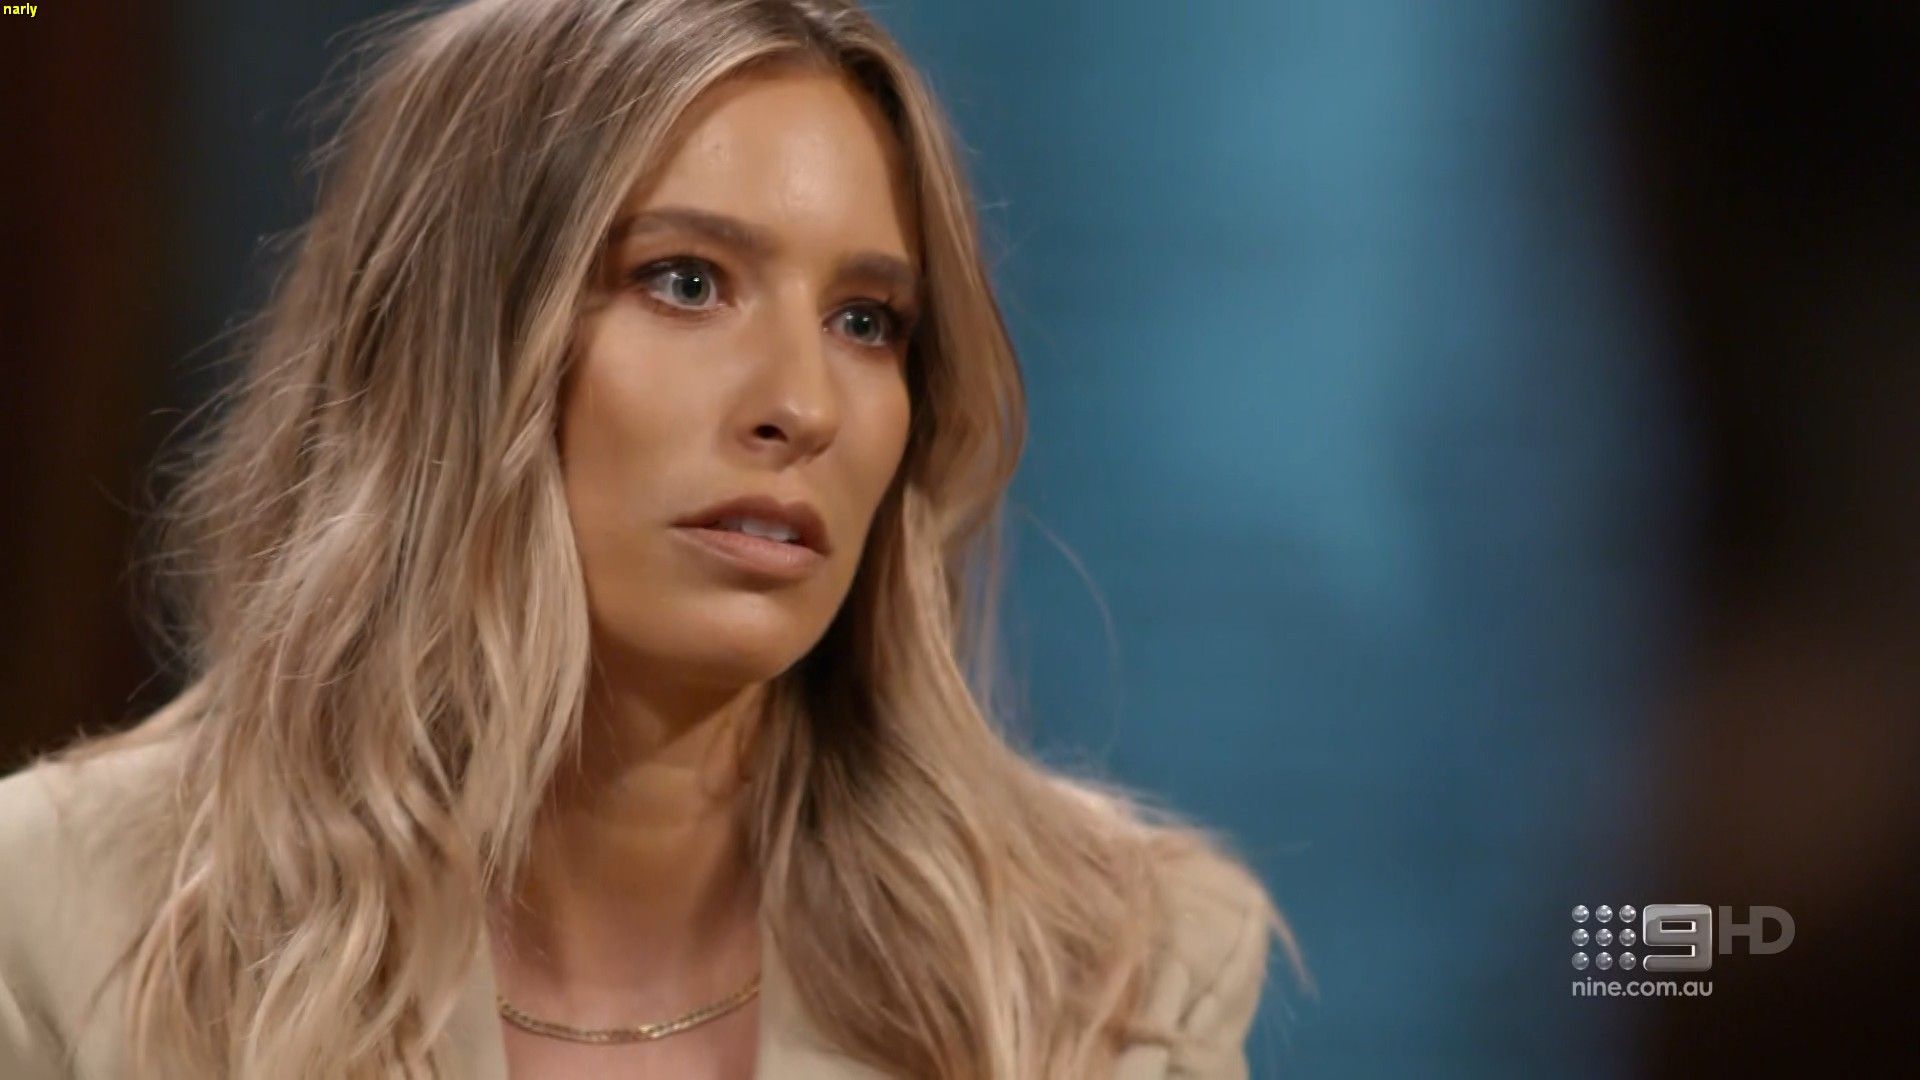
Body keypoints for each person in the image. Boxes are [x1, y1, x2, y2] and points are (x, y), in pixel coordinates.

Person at [0, 0, 1301, 1076]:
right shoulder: (60, 921)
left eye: (865, 321)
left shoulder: (1110, 978)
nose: (802, 404)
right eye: (686, 282)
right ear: (457, 350)